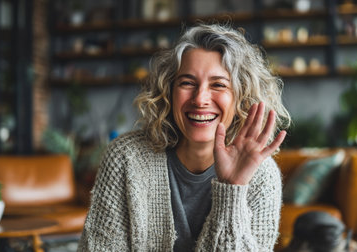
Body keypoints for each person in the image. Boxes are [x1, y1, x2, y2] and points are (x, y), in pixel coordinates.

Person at [78, 23, 291, 251]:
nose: (200, 99)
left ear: (242, 97)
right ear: (168, 91)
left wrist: (233, 189)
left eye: (218, 84)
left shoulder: (261, 176)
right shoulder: (125, 159)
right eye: (187, 83)